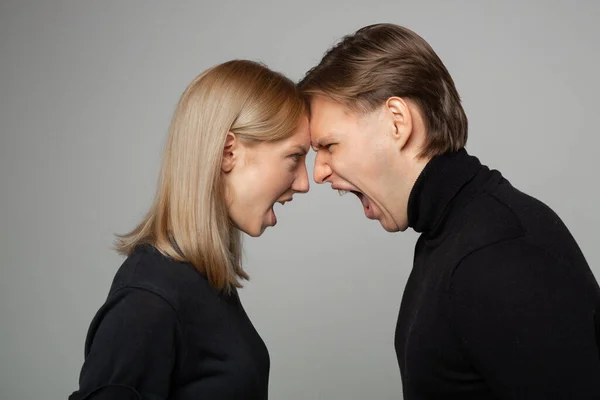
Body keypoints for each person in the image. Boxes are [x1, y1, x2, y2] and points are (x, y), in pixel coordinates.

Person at [298, 23, 600, 399]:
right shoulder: (453, 234)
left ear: (397, 122)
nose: (319, 172)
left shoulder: (498, 252)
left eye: (329, 145)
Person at [69, 60, 310, 400]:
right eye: (294, 157)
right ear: (228, 153)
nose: (304, 182)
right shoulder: (150, 300)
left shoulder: (198, 281)